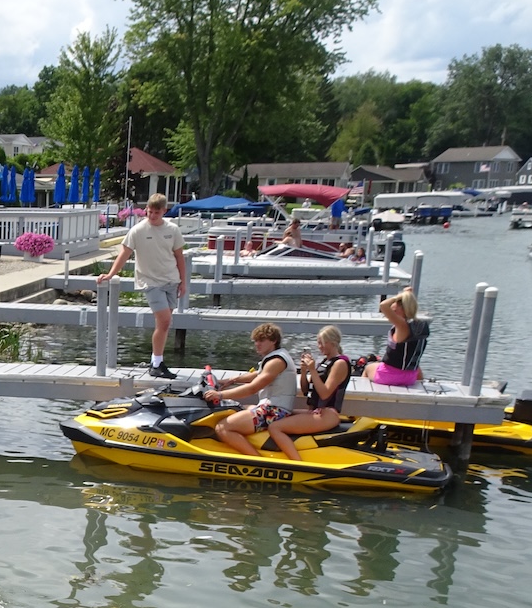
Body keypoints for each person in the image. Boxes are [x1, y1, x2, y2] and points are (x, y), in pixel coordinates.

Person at [98, 192, 186, 378]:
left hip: (171, 279)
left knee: (164, 325)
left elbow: (179, 257)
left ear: (164, 211)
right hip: (150, 281)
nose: (152, 216)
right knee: (164, 320)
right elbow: (124, 253)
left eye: (156, 212)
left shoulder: (173, 229)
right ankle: (155, 363)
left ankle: (158, 361)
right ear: (146, 210)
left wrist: (183, 282)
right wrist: (111, 273)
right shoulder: (138, 231)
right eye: (149, 212)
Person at [204, 323, 297, 458]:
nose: (257, 344)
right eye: (256, 341)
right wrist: (231, 380)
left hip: (274, 412)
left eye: (262, 340)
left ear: (273, 341)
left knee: (222, 427)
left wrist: (220, 394)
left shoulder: (276, 361)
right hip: (272, 408)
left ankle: (257, 460)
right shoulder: (276, 356)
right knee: (235, 408)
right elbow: (256, 375)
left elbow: (253, 388)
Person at [263, 325, 353, 460]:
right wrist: (304, 371)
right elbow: (306, 390)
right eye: (318, 342)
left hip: (328, 414)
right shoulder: (324, 362)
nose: (319, 346)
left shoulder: (340, 363)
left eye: (321, 342)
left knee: (275, 427)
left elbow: (325, 394)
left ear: (332, 342)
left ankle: (297, 462)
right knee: (280, 414)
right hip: (315, 410)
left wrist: (312, 370)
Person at [366, 287, 429, 386]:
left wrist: (400, 296)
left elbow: (383, 305)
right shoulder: (419, 325)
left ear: (403, 308)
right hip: (410, 377)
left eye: (394, 310)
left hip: (392, 376)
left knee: (368, 368)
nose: (392, 312)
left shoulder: (402, 325)